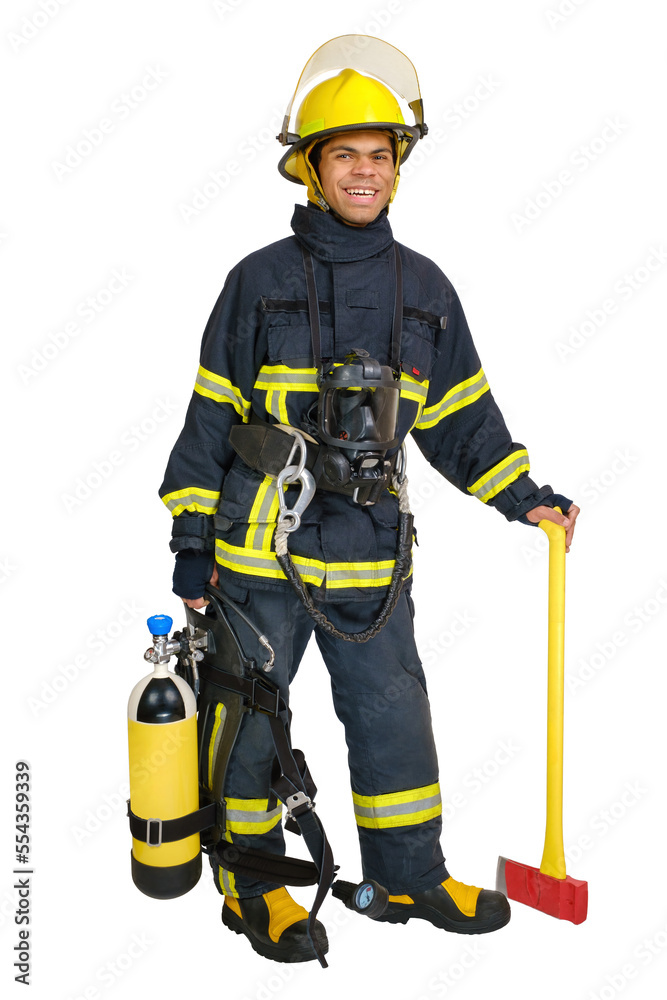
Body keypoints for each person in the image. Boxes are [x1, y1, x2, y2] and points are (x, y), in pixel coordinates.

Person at [159, 35, 580, 964]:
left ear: (398, 168)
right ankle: (255, 885)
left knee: (395, 717)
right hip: (256, 553)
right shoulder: (258, 281)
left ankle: (405, 876)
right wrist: (192, 537)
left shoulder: (423, 290)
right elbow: (208, 416)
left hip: (371, 555)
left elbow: (462, 419)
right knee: (251, 726)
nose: (364, 171)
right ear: (309, 167)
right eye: (343, 153)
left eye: (379, 155)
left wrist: (526, 498)